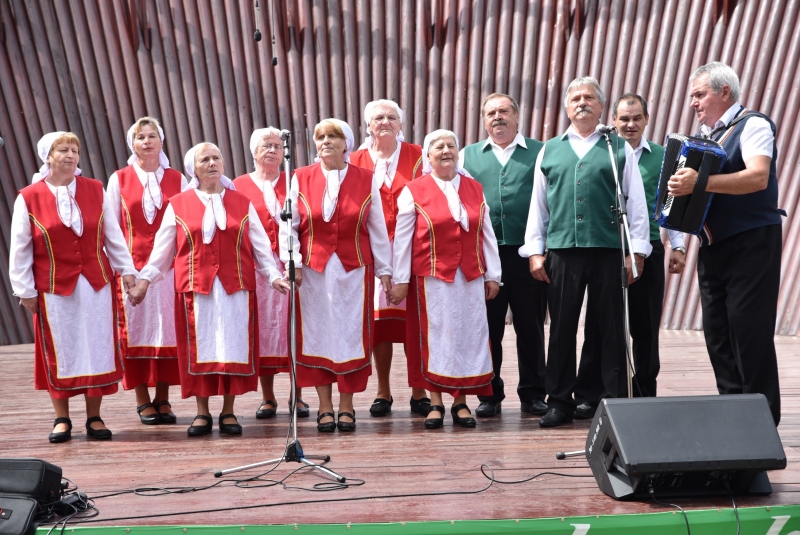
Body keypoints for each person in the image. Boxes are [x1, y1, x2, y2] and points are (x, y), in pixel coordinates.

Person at [128, 143, 289, 437]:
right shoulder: (178, 204)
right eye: (206, 159)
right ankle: (202, 413)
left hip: (235, 287)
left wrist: (273, 276)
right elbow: (163, 251)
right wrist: (144, 281)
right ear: (194, 169)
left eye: (217, 157)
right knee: (199, 349)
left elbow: (261, 247)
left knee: (231, 347)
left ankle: (228, 411)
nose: (213, 163)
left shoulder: (241, 202)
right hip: (196, 289)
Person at [519, 77, 652, 428]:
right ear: (566, 107)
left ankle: (611, 400)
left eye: (589, 97)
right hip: (563, 250)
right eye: (575, 98)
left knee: (610, 326)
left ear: (601, 106)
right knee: (561, 327)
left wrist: (636, 251)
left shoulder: (616, 147)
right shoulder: (550, 148)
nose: (582, 103)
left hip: (609, 249)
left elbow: (636, 203)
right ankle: (559, 401)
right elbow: (539, 204)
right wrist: (535, 251)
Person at [669, 62, 784, 425]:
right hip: (713, 246)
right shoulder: (704, 139)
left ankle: (762, 422)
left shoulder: (753, 124)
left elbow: (758, 177)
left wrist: (698, 184)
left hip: (751, 242)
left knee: (748, 331)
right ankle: (736, 417)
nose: (693, 104)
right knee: (717, 332)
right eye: (692, 96)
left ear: (724, 92)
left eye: (699, 94)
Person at [9, 132, 138, 442]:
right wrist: (24, 290)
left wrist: (127, 270)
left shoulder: (95, 189)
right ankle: (62, 419)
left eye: (74, 149)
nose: (70, 154)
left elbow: (113, 237)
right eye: (63, 149)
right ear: (48, 156)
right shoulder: (29, 196)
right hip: (53, 288)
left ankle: (94, 417)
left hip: (95, 285)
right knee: (61, 350)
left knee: (95, 348)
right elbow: (20, 248)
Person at [572, 94, 687, 418]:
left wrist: (676, 246)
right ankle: (590, 393)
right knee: (599, 325)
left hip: (646, 251)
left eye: (636, 118)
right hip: (608, 252)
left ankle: (644, 392)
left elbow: (670, 206)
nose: (630, 124)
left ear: (647, 119)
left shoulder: (663, 157)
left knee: (646, 326)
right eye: (624, 119)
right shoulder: (604, 152)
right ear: (614, 120)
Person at [280, 118, 392, 433]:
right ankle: (324, 407)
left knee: (349, 334)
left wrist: (385, 270)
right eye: (320, 137)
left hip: (354, 269)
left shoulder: (365, 178)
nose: (326, 141)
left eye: (333, 136)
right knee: (317, 335)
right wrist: (294, 261)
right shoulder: (300, 177)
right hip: (312, 272)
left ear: (347, 144)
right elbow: (289, 224)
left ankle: (347, 405)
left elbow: (377, 228)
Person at [389, 129, 501, 429]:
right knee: (437, 338)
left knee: (467, 336)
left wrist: (494, 275)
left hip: (470, 277)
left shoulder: (474, 188)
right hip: (432, 278)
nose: (446, 150)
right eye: (438, 147)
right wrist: (400, 279)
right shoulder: (414, 190)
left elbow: (485, 233)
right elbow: (402, 240)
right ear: (428, 156)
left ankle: (461, 401)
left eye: (451, 145)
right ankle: (436, 401)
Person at [459, 93, 548, 418]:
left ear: (517, 115)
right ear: (484, 119)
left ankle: (534, 393)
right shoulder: (468, 156)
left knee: (530, 326)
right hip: (485, 257)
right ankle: (489, 393)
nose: (498, 117)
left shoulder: (540, 151)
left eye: (504, 111)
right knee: (488, 327)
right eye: (491, 112)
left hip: (527, 255)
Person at [349, 100, 430, 417]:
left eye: (391, 117)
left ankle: (419, 389)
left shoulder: (419, 155)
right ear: (368, 125)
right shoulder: (354, 159)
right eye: (378, 117)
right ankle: (382, 390)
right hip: (371, 253)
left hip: (412, 250)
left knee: (414, 323)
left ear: (401, 124)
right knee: (380, 326)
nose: (384, 122)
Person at [106, 117, 189, 425]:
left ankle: (164, 398)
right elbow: (111, 226)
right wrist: (123, 267)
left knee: (168, 331)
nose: (147, 141)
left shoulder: (178, 178)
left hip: (168, 268)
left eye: (152, 135)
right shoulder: (120, 179)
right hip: (132, 266)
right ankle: (143, 399)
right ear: (133, 144)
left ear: (161, 141)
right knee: (135, 333)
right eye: (141, 137)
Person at [233, 128, 307, 420]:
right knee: (263, 329)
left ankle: (297, 394)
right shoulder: (238, 185)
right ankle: (267, 396)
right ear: (254, 151)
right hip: (257, 268)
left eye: (278, 146)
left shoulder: (294, 181)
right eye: (266, 145)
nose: (273, 150)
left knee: (293, 327)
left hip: (291, 264)